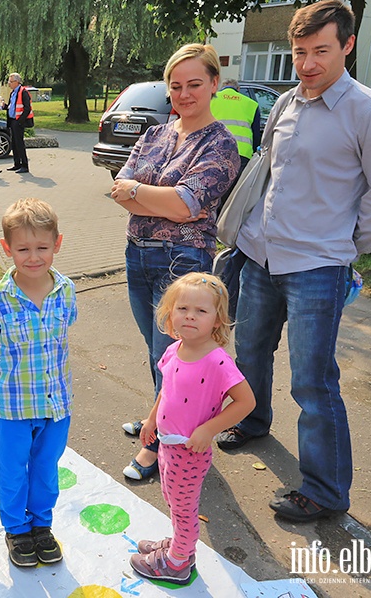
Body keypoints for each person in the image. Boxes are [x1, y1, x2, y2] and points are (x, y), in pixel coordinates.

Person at [215, 0, 371, 523]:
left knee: (313, 381)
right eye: (299, 52)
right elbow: (269, 174)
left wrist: (348, 245)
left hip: (317, 268)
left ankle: (324, 491)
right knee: (250, 353)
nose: (307, 64)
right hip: (260, 257)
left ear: (347, 45)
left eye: (320, 51)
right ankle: (252, 422)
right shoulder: (285, 104)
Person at [111, 44, 240, 483]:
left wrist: (138, 193)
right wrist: (150, 197)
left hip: (182, 260)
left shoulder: (221, 144)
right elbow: (118, 184)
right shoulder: (156, 134)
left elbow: (186, 206)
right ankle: (159, 419)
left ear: (214, 84)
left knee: (173, 351)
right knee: (160, 351)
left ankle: (157, 444)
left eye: (195, 84)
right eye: (176, 86)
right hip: (138, 253)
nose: (184, 94)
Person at [128, 272, 255, 585]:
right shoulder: (175, 349)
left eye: (201, 311)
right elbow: (166, 389)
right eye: (183, 308)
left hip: (189, 451)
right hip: (168, 445)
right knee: (171, 500)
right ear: (170, 312)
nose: (190, 316)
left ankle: (178, 563)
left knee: (184, 510)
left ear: (217, 319)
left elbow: (246, 402)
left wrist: (210, 429)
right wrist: (152, 418)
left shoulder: (217, 361)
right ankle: (178, 545)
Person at [0, 198, 77, 568]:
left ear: (58, 244)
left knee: (46, 468)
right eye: (23, 249)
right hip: (15, 406)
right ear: (7, 249)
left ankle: (41, 524)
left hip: (57, 405)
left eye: (42, 247)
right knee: (11, 469)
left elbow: (64, 331)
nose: (33, 257)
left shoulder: (66, 290)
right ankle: (17, 529)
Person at [210, 79, 261, 318]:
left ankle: (212, 235)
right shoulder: (251, 104)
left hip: (215, 155)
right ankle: (230, 238)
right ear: (238, 90)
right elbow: (259, 137)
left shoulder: (213, 98)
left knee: (214, 201)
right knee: (235, 204)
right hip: (242, 160)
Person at [210, 80, 260, 175]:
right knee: (238, 188)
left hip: (215, 151)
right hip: (242, 153)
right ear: (238, 89)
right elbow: (256, 135)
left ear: (221, 88)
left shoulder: (210, 99)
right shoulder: (251, 104)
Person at [0, 73, 32, 174]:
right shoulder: (13, 92)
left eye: (11, 81)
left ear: (17, 82)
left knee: (19, 143)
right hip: (12, 120)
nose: (9, 83)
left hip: (18, 121)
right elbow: (12, 107)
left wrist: (20, 120)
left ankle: (24, 165)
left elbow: (27, 108)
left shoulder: (23, 92)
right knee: (14, 143)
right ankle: (17, 164)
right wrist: (3, 106)